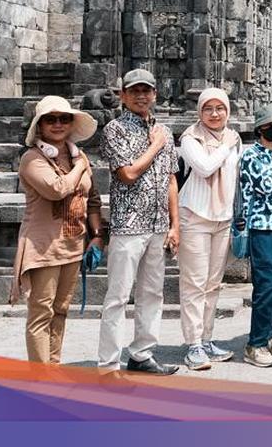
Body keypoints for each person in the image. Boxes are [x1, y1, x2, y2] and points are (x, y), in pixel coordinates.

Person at [97, 68, 180, 375]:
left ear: (155, 94)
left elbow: (172, 179)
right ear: (123, 96)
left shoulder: (165, 130)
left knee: (152, 293)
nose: (142, 96)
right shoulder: (115, 130)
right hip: (128, 225)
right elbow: (127, 174)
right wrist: (155, 146)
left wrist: (176, 225)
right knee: (118, 296)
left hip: (159, 226)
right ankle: (107, 364)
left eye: (147, 90)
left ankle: (142, 353)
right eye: (135, 91)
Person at [13, 96, 102, 364]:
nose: (58, 124)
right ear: (39, 126)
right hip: (44, 246)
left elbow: (92, 196)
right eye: (50, 119)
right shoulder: (32, 158)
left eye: (64, 118)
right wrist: (80, 168)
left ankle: (53, 367)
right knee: (41, 312)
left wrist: (97, 235)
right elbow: (56, 189)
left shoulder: (77, 155)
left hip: (72, 245)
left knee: (61, 310)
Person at [177, 88, 242, 370]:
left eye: (220, 108)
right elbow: (203, 168)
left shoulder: (235, 138)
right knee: (194, 283)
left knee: (214, 284)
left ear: (227, 111)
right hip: (195, 216)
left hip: (223, 217)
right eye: (208, 109)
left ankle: (206, 339)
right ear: (199, 112)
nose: (215, 114)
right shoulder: (190, 138)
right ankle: (193, 345)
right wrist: (226, 146)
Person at [236, 104, 272, 367]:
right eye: (271, 125)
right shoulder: (252, 156)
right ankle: (255, 344)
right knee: (266, 287)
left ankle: (268, 336)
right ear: (260, 129)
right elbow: (267, 186)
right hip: (262, 227)